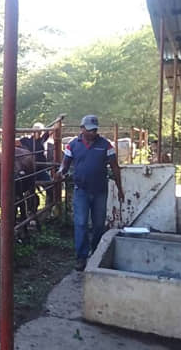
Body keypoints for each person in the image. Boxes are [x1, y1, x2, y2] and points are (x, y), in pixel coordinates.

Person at [56, 115, 124, 271]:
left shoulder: (106, 145)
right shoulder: (73, 145)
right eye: (89, 130)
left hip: (100, 190)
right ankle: (81, 257)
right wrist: (60, 172)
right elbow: (64, 165)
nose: (92, 133)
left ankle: (96, 252)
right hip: (81, 191)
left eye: (94, 130)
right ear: (82, 129)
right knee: (80, 224)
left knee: (99, 225)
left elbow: (115, 167)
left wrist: (120, 189)